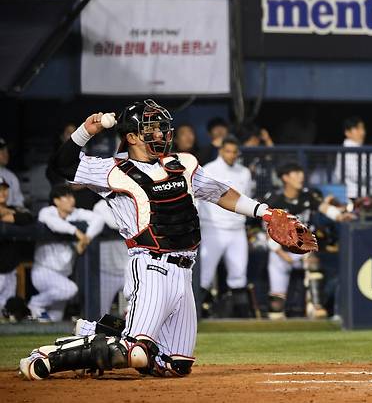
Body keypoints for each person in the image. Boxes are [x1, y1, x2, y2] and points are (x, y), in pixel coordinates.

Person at [19, 99, 304, 380]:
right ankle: (48, 358)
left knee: (175, 364)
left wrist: (264, 213)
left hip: (184, 272)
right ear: (131, 136)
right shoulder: (113, 170)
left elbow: (220, 192)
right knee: (135, 351)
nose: (160, 134)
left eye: (161, 127)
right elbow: (61, 167)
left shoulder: (183, 163)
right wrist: (86, 131)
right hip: (150, 266)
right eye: (151, 129)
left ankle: (98, 333)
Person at [265, 162, 352, 319]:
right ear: (285, 178)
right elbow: (267, 231)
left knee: (313, 262)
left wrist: (340, 216)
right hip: (280, 252)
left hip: (304, 249)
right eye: (296, 173)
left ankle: (316, 305)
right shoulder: (275, 200)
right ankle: (277, 315)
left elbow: (325, 208)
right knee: (276, 305)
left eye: (301, 173)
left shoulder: (308, 196)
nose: (301, 177)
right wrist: (279, 253)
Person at [28, 184, 104, 322]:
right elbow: (54, 224)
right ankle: (35, 303)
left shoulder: (76, 213)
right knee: (70, 290)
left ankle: (36, 320)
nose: (71, 200)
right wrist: (75, 231)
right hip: (43, 271)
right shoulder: (48, 212)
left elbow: (99, 219)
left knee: (54, 319)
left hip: (63, 275)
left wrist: (86, 238)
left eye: (71, 196)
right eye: (66, 197)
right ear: (56, 200)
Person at [197, 135, 254, 317]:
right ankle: (196, 315)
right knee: (205, 275)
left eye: (234, 152)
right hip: (213, 228)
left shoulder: (244, 172)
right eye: (227, 151)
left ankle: (240, 319)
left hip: (237, 229)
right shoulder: (209, 169)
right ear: (221, 151)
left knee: (239, 274)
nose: (231, 155)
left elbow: (246, 198)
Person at [0, 177, 34, 317]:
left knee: (5, 312)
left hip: (10, 269)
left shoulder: (13, 209)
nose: (3, 192)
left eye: (4, 189)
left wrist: (9, 214)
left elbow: (28, 218)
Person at [334, 116, 372, 199]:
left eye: (362, 129)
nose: (362, 132)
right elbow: (356, 175)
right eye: (357, 129)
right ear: (347, 132)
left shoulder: (368, 150)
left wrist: (371, 179)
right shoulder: (345, 150)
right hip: (352, 197)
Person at [93, 199, 129, 316]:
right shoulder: (100, 205)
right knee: (101, 314)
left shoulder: (129, 202)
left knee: (139, 303)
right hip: (106, 272)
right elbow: (114, 223)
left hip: (127, 271)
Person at [0, 137, 25, 207]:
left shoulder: (11, 176)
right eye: (1, 150)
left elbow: (19, 204)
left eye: (7, 151)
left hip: (7, 213)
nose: (6, 154)